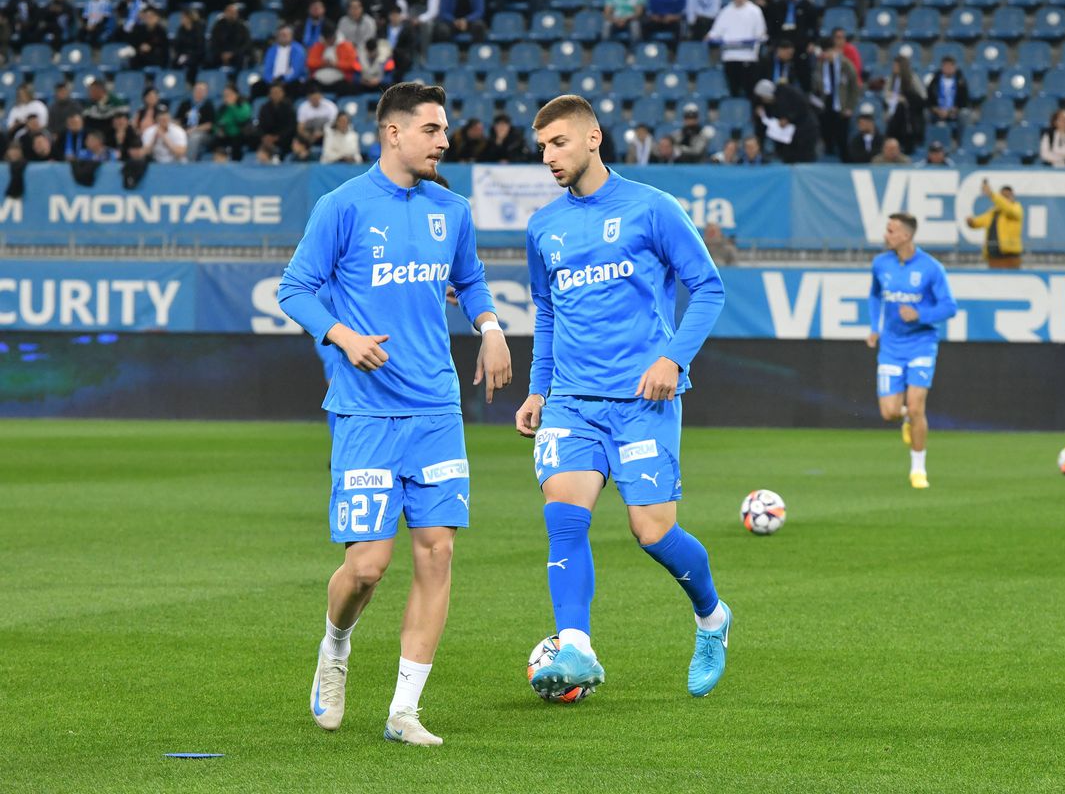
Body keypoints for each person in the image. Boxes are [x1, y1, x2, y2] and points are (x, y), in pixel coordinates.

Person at [276, 81, 512, 747]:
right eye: (433, 130)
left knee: (436, 552)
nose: (445, 140)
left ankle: (403, 711)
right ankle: (336, 644)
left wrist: (490, 326)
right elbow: (295, 288)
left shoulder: (451, 209)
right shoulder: (342, 206)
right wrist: (343, 336)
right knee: (368, 568)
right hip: (365, 413)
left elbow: (469, 281)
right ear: (393, 133)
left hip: (437, 407)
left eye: (444, 129)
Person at [515, 94, 731, 702]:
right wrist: (538, 389)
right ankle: (576, 645)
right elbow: (549, 312)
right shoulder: (544, 227)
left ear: (593, 138)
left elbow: (707, 288)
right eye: (541, 149)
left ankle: (712, 618)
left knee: (653, 532)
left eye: (558, 143)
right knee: (564, 517)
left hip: (642, 399)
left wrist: (672, 358)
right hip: (572, 402)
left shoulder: (652, 209)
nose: (549, 158)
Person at [866, 212, 957, 489]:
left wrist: (919, 314)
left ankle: (918, 469)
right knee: (889, 413)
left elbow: (949, 307)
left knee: (917, 406)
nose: (886, 235)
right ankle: (905, 418)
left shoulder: (931, 268)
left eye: (891, 230)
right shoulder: (881, 264)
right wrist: (875, 327)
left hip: (921, 343)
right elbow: (874, 295)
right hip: (892, 345)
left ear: (906, 235)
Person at [704, 0, 766, 99]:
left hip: (748, 57)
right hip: (730, 57)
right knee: (733, 90)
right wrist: (709, 36)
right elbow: (716, 31)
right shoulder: (726, 11)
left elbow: (760, 33)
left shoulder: (755, 11)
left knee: (749, 91)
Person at [812, 36, 859, 160]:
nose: (826, 55)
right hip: (826, 105)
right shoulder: (820, 65)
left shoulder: (846, 64)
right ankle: (829, 159)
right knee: (826, 135)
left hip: (842, 106)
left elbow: (854, 87)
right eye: (824, 52)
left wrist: (850, 106)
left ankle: (845, 162)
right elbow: (816, 85)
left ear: (834, 50)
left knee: (842, 138)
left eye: (828, 52)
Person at [965, 179, 1023, 269]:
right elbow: (978, 222)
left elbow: (1008, 209)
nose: (1004, 199)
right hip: (994, 256)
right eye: (1002, 196)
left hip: (1010, 256)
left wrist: (991, 194)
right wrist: (971, 222)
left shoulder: (1016, 208)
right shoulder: (993, 212)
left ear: (1012, 196)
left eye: (1007, 196)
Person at [884, 54, 925, 154]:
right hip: (892, 113)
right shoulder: (891, 79)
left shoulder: (912, 79)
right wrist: (894, 97)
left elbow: (922, 97)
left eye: (896, 66)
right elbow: (886, 94)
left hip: (909, 116)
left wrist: (906, 99)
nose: (894, 68)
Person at [175, 80, 215, 161]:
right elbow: (177, 120)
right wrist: (180, 131)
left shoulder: (209, 105)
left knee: (195, 137)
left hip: (203, 134)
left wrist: (193, 130)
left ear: (206, 93)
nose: (199, 92)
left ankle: (188, 163)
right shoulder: (185, 104)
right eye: (197, 89)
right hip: (184, 131)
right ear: (193, 91)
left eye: (202, 90)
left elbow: (209, 125)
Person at [925, 55, 969, 129]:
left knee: (964, 113)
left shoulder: (961, 81)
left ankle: (961, 138)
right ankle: (927, 138)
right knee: (925, 113)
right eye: (945, 66)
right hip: (937, 111)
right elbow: (929, 99)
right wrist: (937, 110)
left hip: (954, 111)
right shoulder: (934, 81)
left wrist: (952, 110)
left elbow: (964, 101)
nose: (948, 68)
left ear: (954, 67)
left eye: (950, 66)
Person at [213, 83, 252, 160]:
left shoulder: (244, 105)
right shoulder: (222, 108)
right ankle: (219, 162)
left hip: (240, 133)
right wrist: (217, 130)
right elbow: (215, 123)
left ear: (236, 94)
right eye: (225, 95)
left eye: (229, 94)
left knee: (236, 142)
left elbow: (242, 119)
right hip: (225, 134)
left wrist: (233, 106)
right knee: (215, 141)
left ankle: (236, 165)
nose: (226, 97)